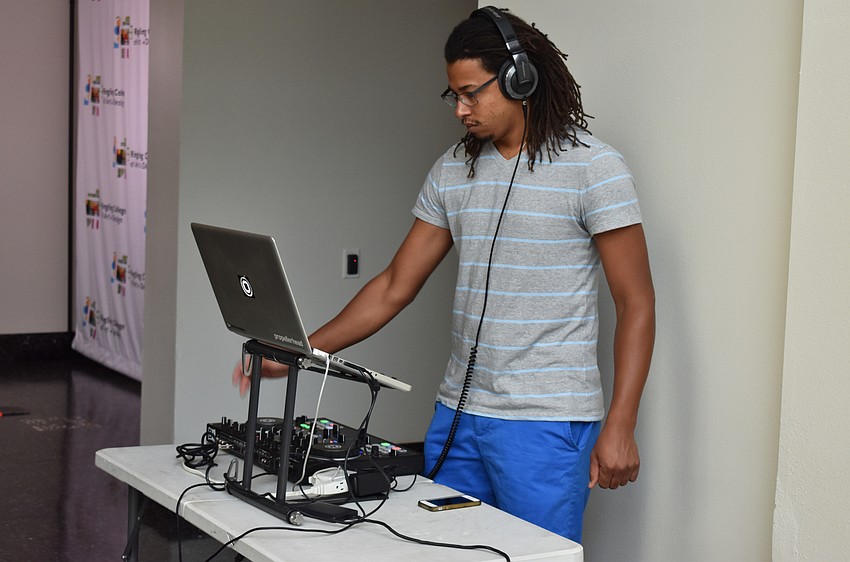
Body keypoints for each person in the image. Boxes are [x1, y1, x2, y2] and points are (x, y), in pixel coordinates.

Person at [233, 6, 654, 544]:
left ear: (519, 79)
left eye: (471, 93)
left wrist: (621, 423)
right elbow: (392, 287)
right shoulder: (452, 170)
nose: (460, 110)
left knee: (535, 557)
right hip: (458, 415)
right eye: (452, 95)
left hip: (546, 424)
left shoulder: (594, 169)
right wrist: (298, 349)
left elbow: (637, 301)